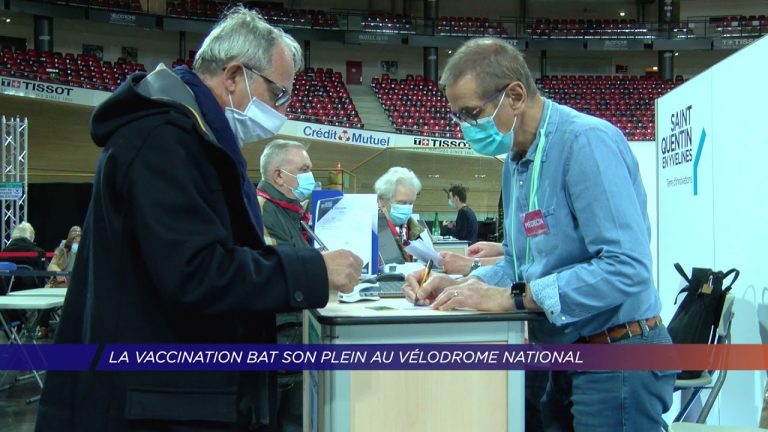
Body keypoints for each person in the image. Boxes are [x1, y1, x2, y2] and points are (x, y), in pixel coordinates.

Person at [36, 7, 362, 432]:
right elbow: (195, 272)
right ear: (234, 76)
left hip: (176, 394)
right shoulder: (164, 141)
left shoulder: (195, 141)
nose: (282, 109)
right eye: (278, 93)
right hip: (155, 404)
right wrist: (313, 270)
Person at [404, 37, 675, 431]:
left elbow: (626, 268)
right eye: (457, 116)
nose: (464, 127)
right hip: (563, 354)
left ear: (514, 96)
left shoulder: (585, 143)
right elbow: (519, 266)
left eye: (471, 113)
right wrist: (461, 285)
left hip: (618, 353)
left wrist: (516, 297)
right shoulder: (514, 163)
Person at [256, 139, 315, 432]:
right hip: (281, 348)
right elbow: (273, 273)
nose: (310, 177)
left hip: (295, 341)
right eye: (303, 169)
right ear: (278, 175)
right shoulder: (262, 211)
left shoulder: (290, 212)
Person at [374, 166, 424, 262]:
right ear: (382, 199)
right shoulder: (373, 232)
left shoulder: (414, 230)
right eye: (402, 203)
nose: (407, 208)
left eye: (411, 203)